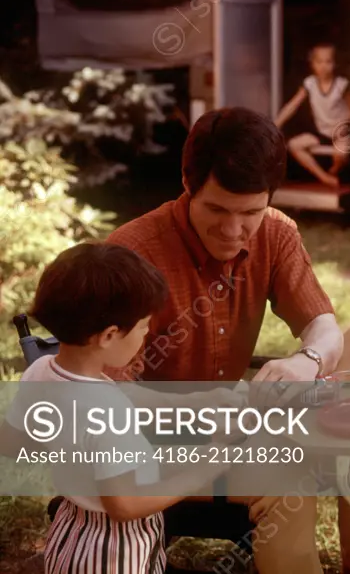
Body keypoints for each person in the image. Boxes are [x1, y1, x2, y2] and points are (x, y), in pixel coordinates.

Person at [104, 106, 350, 574]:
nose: (232, 230)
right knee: (285, 477)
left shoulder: (277, 233)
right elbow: (103, 395)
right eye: (217, 209)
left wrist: (307, 360)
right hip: (151, 446)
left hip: (236, 428)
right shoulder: (131, 255)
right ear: (187, 186)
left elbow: (324, 327)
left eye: (250, 212)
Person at [0, 243, 242, 574]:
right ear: (110, 335)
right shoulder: (108, 410)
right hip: (115, 554)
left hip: (69, 535)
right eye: (144, 326)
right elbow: (125, 505)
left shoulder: (40, 373)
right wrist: (207, 468)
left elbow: (13, 442)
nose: (147, 333)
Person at [275, 42, 350, 187]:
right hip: (321, 132)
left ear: (335, 64)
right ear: (312, 64)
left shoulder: (341, 85)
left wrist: (344, 126)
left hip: (340, 132)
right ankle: (324, 177)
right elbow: (292, 105)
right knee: (294, 145)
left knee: (340, 153)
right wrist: (276, 124)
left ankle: (334, 170)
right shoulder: (310, 83)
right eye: (319, 62)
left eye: (328, 62)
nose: (323, 66)